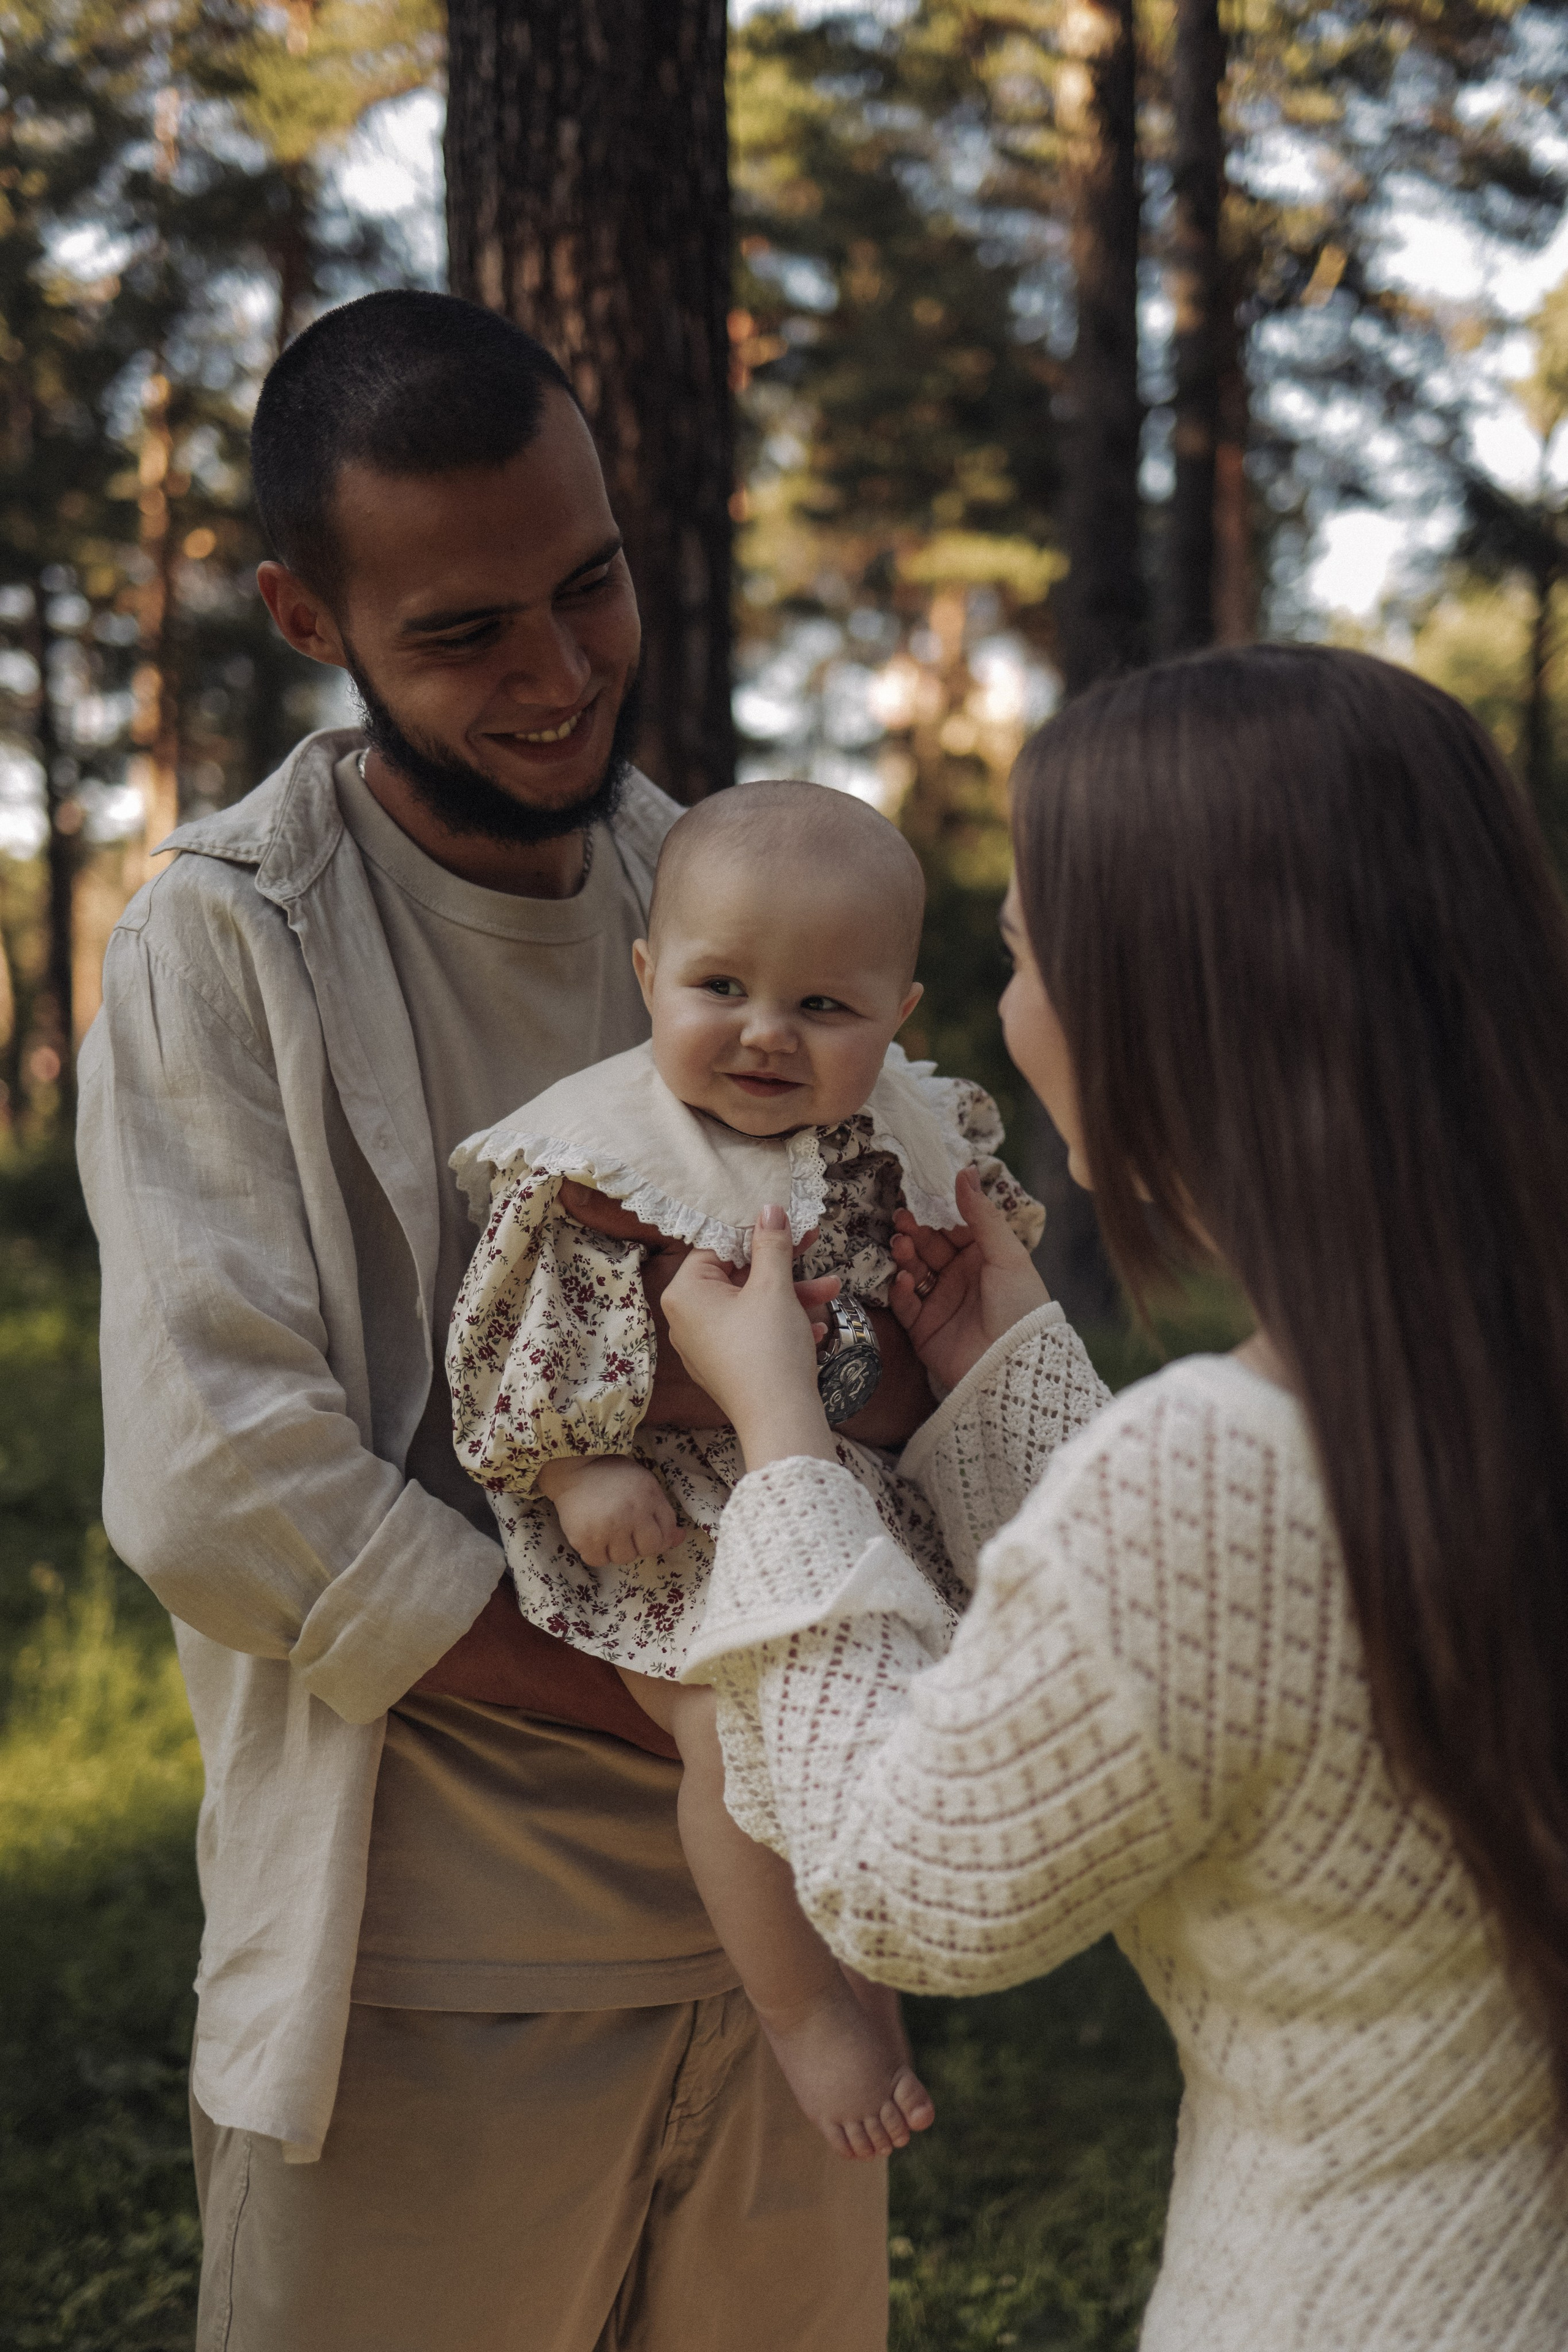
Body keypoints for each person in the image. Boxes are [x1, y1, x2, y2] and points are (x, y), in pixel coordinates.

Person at [78, 289, 929, 2352]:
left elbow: (905, 1318)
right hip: (422, 1986)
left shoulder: (726, 900)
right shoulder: (226, 942)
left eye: (592, 585)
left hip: (792, 1960)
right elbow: (223, 1492)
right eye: (464, 635)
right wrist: (669, 1693)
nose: (560, 678)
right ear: (309, 618)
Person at [660, 645, 1568, 2348]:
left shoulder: (1225, 1477)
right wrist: (1004, 1370)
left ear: (1157, 1004)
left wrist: (781, 1447)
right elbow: (1222, 1651)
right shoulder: (1461, 1390)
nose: (1006, 1003)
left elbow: (900, 1879)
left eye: (1014, 952)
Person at [445, 777, 1044, 2156]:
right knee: (730, 1742)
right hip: (681, 1525)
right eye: (721, 986)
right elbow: (510, 1339)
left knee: (894, 1707)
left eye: (824, 1009)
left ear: (895, 1018)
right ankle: (804, 2016)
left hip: (852, 1500)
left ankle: (875, 1959)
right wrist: (573, 1471)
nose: (767, 1035)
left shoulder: (894, 1137)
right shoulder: (606, 1161)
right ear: (649, 977)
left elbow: (967, 1279)